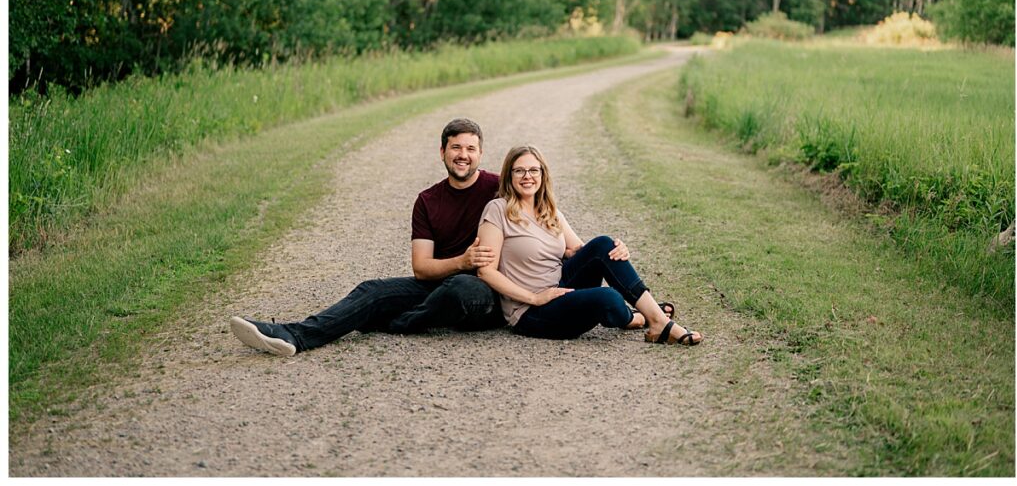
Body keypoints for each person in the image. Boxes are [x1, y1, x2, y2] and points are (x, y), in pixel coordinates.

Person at [230, 118, 508, 356]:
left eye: (471, 148)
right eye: (456, 147)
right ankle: (293, 335)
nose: (463, 155)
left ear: (481, 154)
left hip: (485, 293)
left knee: (461, 287)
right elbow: (422, 269)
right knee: (371, 291)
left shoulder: (498, 188)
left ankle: (392, 323)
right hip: (442, 283)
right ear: (442, 152)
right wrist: (462, 260)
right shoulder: (428, 200)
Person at [476, 145, 703, 345]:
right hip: (531, 311)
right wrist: (534, 298)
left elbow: (583, 252)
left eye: (534, 170)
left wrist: (616, 248)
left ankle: (658, 323)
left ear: (543, 175)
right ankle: (637, 317)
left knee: (604, 244)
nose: (528, 176)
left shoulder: (550, 212)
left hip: (562, 287)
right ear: (509, 175)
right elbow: (485, 271)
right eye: (519, 170)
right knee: (609, 298)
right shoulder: (498, 210)